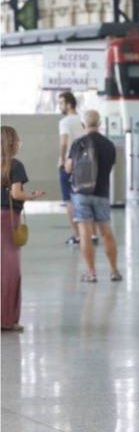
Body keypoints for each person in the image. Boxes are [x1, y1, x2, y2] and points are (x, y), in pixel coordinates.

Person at [65, 110, 120, 283]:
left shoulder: (78, 143)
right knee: (106, 232)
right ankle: (114, 271)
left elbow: (68, 168)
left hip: (81, 193)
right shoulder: (109, 145)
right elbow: (109, 166)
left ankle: (91, 273)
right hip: (102, 192)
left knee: (85, 233)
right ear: (100, 123)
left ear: (83, 125)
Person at [1, 126, 45, 332]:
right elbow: (17, 194)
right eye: (18, 140)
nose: (20, 143)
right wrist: (32, 195)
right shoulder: (15, 165)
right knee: (10, 271)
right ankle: (7, 319)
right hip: (7, 220)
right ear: (12, 143)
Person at [57, 91, 88, 246]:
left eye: (61, 103)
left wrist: (61, 159)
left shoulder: (65, 122)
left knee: (68, 200)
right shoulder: (82, 120)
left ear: (69, 104)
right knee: (82, 198)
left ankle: (77, 235)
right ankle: (89, 234)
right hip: (83, 163)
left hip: (69, 163)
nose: (60, 106)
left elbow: (64, 142)